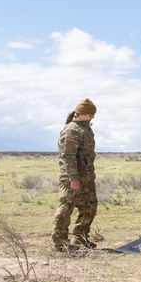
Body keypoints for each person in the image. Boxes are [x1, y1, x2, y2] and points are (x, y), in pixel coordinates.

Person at [52, 98, 99, 252]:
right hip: (72, 177)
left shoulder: (85, 129)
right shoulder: (72, 130)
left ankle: (81, 238)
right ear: (83, 113)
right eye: (90, 115)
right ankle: (61, 242)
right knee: (66, 208)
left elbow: (86, 154)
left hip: (85, 175)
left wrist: (90, 170)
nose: (92, 118)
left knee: (89, 206)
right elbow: (68, 156)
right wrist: (73, 178)